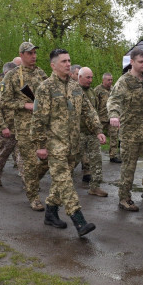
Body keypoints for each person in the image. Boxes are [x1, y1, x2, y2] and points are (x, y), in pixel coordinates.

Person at [31, 49, 104, 237]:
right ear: (53, 65)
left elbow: (88, 111)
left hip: (73, 144)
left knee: (61, 181)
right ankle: (79, 220)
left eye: (69, 60)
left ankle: (50, 213)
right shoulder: (45, 88)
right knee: (64, 181)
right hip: (54, 144)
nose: (68, 64)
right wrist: (40, 145)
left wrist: (97, 129)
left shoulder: (75, 87)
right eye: (63, 61)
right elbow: (38, 118)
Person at [0, 42, 49, 211]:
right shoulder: (12, 76)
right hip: (24, 127)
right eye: (29, 53)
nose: (34, 56)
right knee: (30, 163)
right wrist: (24, 105)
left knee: (47, 160)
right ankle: (33, 197)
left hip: (42, 125)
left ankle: (31, 183)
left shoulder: (41, 73)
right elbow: (3, 101)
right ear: (21, 55)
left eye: (34, 53)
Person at [107, 49, 143, 211]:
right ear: (132, 62)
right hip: (131, 133)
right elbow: (114, 100)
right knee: (128, 168)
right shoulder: (124, 81)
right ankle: (124, 198)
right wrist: (114, 115)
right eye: (141, 62)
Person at [0, 63, 24, 186]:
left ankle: (29, 184)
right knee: (1, 156)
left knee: (23, 158)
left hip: (21, 129)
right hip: (7, 130)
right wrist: (3, 127)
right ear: (6, 74)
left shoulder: (21, 88)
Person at [76, 67, 107, 197]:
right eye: (88, 77)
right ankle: (61, 187)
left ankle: (95, 187)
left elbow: (94, 111)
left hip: (92, 132)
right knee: (72, 160)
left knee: (96, 159)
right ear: (79, 77)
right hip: (78, 132)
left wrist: (98, 130)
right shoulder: (74, 92)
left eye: (91, 77)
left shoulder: (92, 92)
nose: (90, 80)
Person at [93, 73, 120, 163]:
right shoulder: (97, 90)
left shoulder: (113, 89)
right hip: (101, 118)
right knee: (96, 137)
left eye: (111, 80)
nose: (110, 82)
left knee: (114, 135)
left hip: (112, 118)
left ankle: (113, 155)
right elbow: (94, 104)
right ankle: (93, 155)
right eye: (108, 80)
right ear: (103, 80)